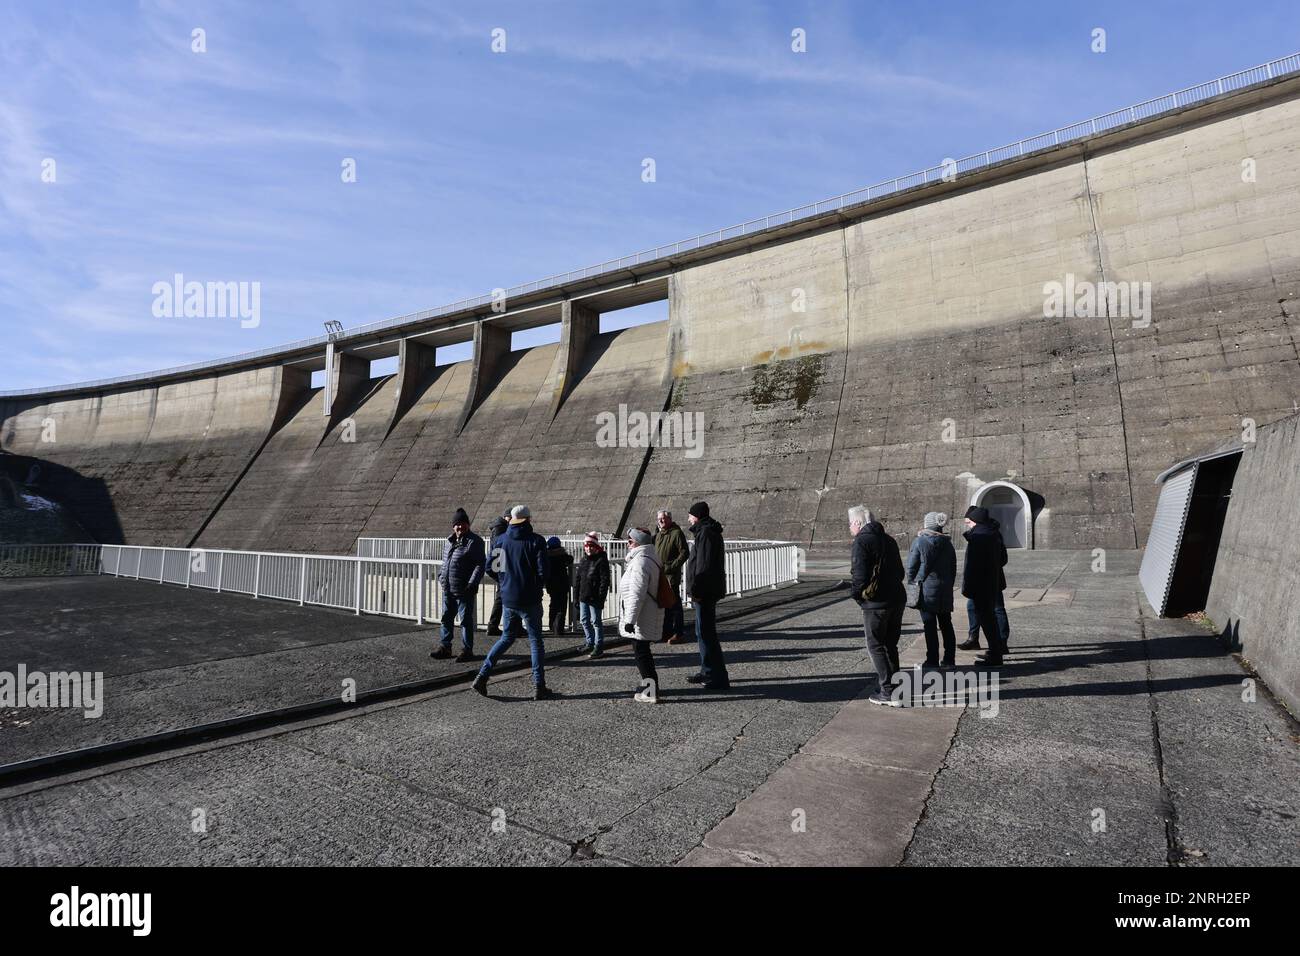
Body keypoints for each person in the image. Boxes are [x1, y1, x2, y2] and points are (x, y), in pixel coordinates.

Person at [472, 505, 554, 700]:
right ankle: (538, 686)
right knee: (535, 642)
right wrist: (536, 585)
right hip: (530, 599)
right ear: (528, 519)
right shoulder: (536, 541)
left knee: (506, 638)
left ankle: (482, 676)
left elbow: (490, 568)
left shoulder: (500, 540)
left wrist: (505, 581)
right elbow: (544, 572)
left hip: (508, 598)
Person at [849, 505, 906, 706]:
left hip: (876, 602)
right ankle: (895, 688)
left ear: (857, 522)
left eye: (850, 523)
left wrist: (857, 596)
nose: (850, 527)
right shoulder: (889, 540)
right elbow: (901, 572)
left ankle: (888, 692)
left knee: (875, 645)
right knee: (890, 644)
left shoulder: (861, 541)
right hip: (897, 598)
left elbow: (859, 576)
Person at [683, 501, 730, 690]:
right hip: (706, 590)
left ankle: (716, 676)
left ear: (698, 516)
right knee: (703, 633)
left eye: (690, 515)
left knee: (706, 634)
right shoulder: (706, 532)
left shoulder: (706, 533)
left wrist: (698, 591)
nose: (688, 518)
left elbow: (704, 566)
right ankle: (707, 670)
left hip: (705, 592)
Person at [432, 508, 486, 662]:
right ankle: (445, 647)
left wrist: (472, 583)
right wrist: (441, 577)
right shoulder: (449, 541)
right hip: (448, 588)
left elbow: (480, 564)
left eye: (462, 524)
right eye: (457, 524)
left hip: (464, 589)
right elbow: (445, 563)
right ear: (453, 526)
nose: (460, 527)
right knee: (446, 618)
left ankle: (467, 650)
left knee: (465, 621)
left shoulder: (474, 541)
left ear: (467, 525)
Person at [619, 528, 665, 703]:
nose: (627, 544)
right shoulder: (650, 557)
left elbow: (636, 594)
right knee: (644, 653)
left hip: (642, 617)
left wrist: (629, 621)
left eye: (629, 541)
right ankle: (650, 688)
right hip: (647, 614)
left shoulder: (640, 563)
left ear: (637, 543)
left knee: (642, 655)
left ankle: (650, 692)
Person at [905, 511, 957, 667]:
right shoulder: (948, 544)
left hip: (926, 589)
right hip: (945, 589)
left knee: (930, 625)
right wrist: (948, 583)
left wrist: (913, 582)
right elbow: (953, 568)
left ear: (927, 524)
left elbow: (911, 568)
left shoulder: (920, 542)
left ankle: (932, 660)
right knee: (946, 624)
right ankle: (949, 660)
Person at [961, 505, 1009, 667]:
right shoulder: (993, 534)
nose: (967, 524)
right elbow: (1003, 559)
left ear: (975, 521)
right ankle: (996, 650)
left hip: (981, 585)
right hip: (991, 581)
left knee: (988, 619)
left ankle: (995, 654)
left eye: (969, 522)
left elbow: (972, 567)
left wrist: (969, 586)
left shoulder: (979, 537)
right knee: (991, 616)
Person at [654, 509, 689, 644]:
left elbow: (684, 553)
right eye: (659, 519)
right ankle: (666, 632)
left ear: (669, 519)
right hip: (660, 576)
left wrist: (671, 567)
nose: (661, 520)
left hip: (671, 576)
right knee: (664, 606)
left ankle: (678, 633)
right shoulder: (659, 534)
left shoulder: (676, 533)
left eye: (663, 518)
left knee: (674, 606)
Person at [575, 531, 611, 658]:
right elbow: (578, 579)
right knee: (584, 620)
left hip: (595, 597)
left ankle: (598, 646)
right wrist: (576, 598)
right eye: (586, 546)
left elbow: (605, 581)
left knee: (596, 621)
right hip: (584, 596)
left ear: (596, 547)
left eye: (591, 546)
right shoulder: (583, 559)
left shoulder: (601, 560)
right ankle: (590, 642)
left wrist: (601, 598)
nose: (588, 548)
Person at [484, 514, 512, 638]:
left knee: (501, 599)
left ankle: (494, 625)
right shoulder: (501, 532)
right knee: (503, 599)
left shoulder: (497, 530)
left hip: (500, 568)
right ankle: (494, 625)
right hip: (503, 569)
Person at [544, 536, 574, 634]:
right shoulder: (562, 555)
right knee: (561, 606)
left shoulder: (546, 556)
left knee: (553, 605)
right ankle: (559, 628)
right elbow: (570, 559)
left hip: (551, 584)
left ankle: (551, 626)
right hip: (562, 584)